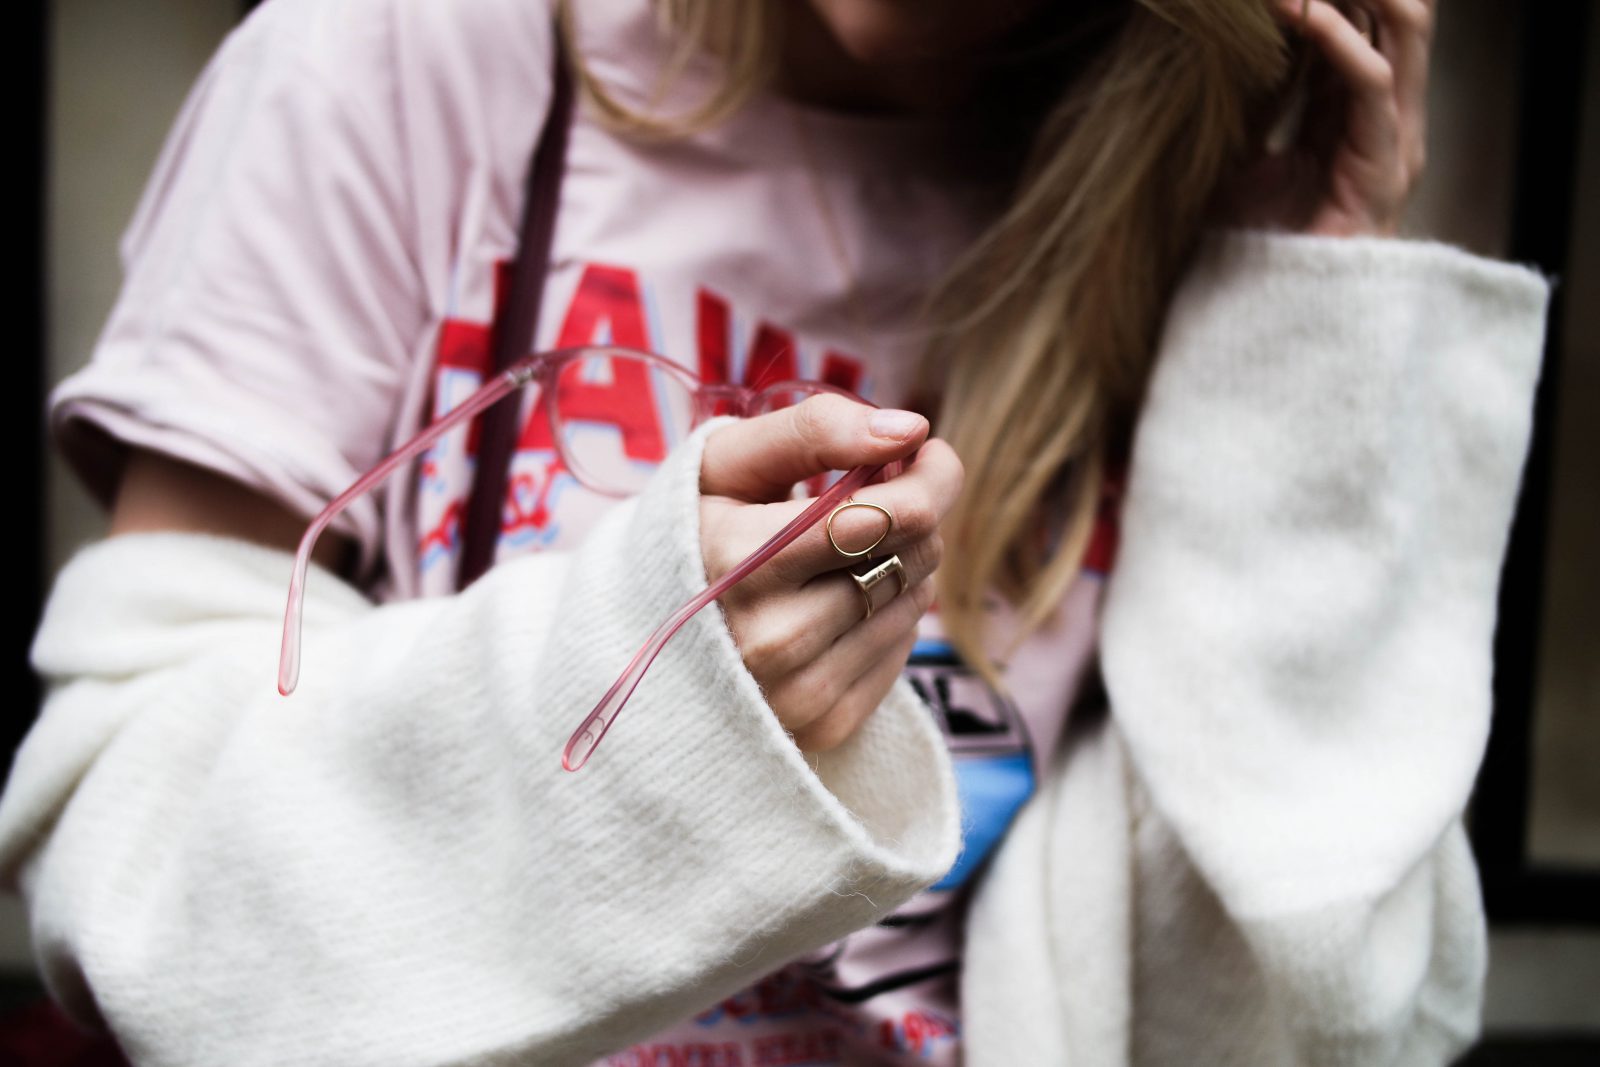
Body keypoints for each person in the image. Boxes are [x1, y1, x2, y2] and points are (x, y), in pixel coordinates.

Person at [0, 0, 1552, 1063]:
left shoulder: (1211, 202)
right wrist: (658, 704)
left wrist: (1305, 323)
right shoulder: (406, 59)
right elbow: (123, 862)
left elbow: (1331, 1016)